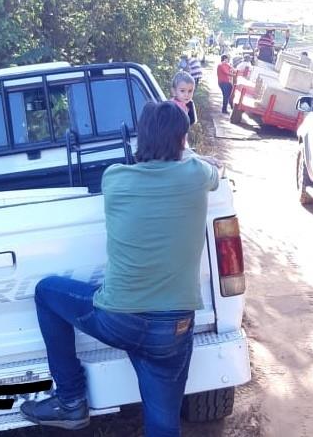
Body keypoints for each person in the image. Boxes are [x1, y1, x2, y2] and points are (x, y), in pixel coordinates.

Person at [19, 102, 221, 436]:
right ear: (183, 140)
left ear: (140, 138)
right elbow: (212, 171)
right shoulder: (196, 175)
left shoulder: (114, 178)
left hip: (117, 320)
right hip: (172, 328)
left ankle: (70, 401)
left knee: (46, 292)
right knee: (163, 423)